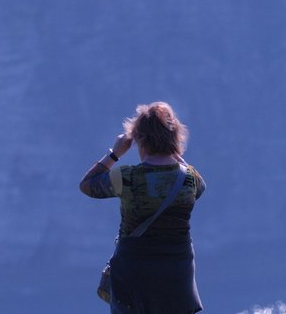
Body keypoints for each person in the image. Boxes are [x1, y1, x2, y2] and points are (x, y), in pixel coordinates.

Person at [80, 102, 206, 314]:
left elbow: (87, 185)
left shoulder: (127, 177)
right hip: (177, 279)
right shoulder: (189, 178)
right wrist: (174, 154)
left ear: (139, 140)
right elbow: (201, 187)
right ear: (175, 137)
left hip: (134, 277)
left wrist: (115, 153)